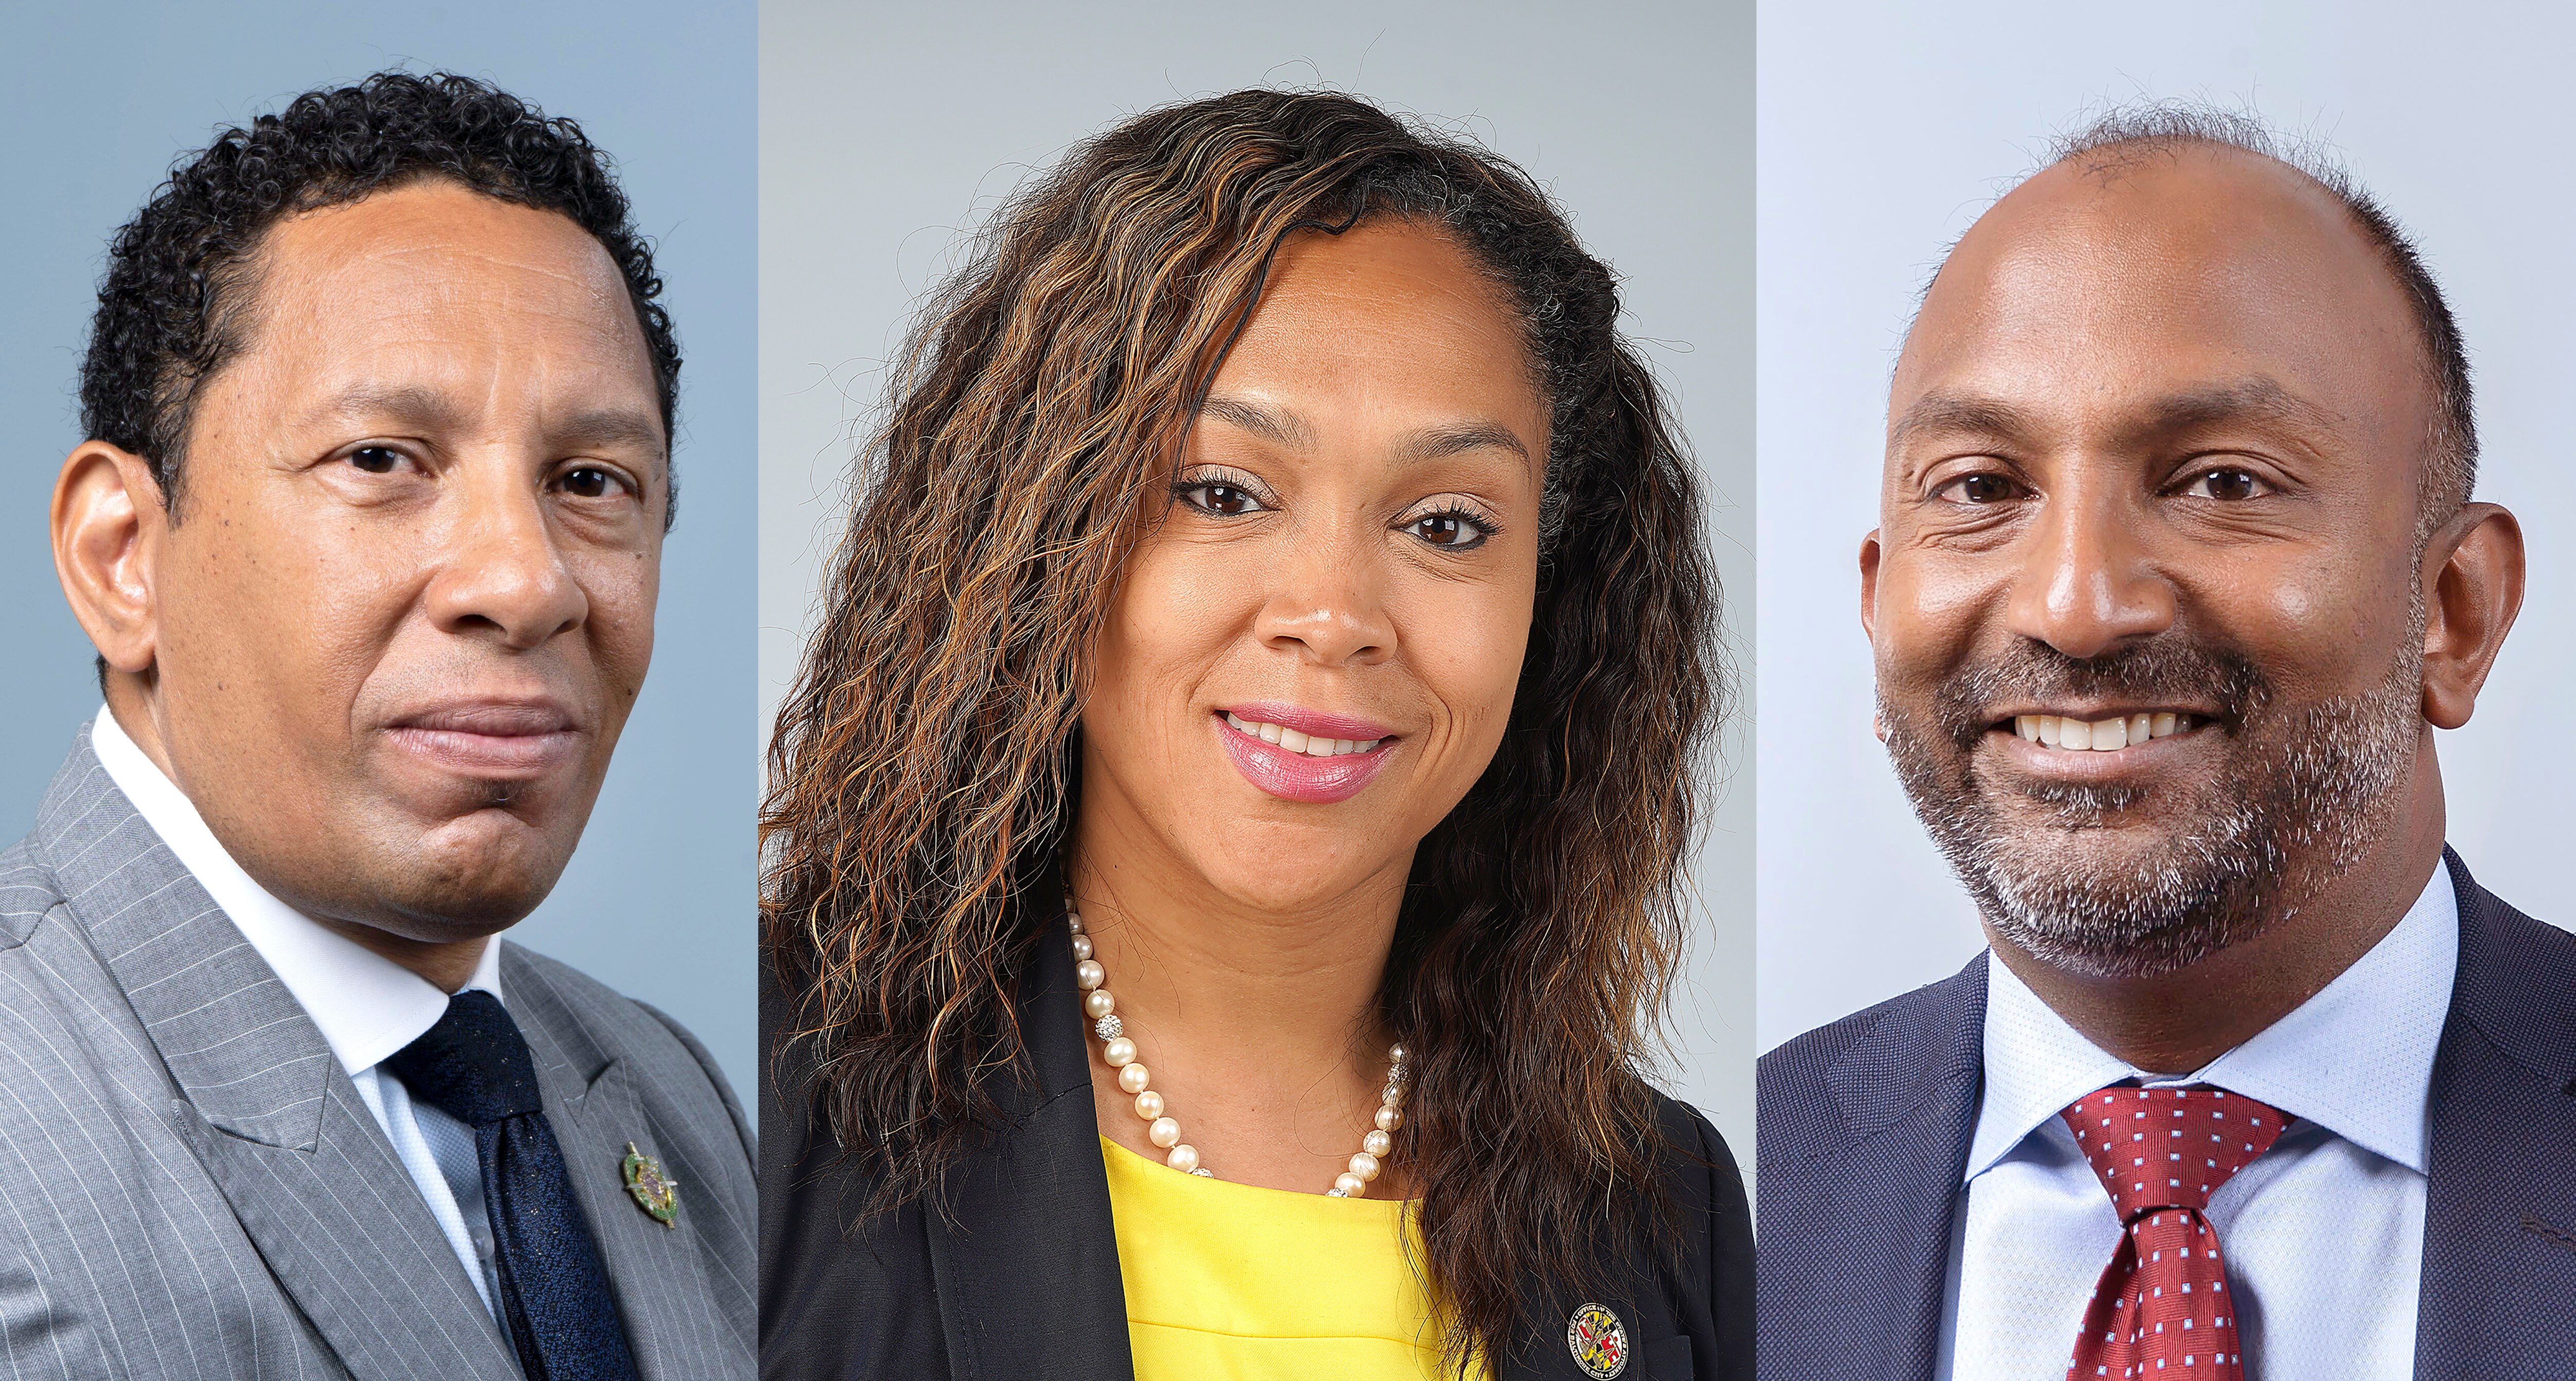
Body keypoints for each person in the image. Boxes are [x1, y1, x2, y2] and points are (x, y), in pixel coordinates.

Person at [760, 89, 1750, 1381]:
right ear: (1038, 537)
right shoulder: (760, 1102)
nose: (1333, 615)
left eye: (1446, 524)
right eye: (1221, 492)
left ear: (1546, 600)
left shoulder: (1660, 1210)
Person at [1757, 105, 2573, 1381]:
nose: (2074, 605)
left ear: (2454, 611)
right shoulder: (1723, 1195)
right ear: (1878, 607)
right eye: (1980, 488)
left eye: (2223, 482)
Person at [4, 72, 754, 1380]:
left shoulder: (665, 1087)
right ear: (124, 555)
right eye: (381, 460)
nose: (526, 580)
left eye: (591, 482)